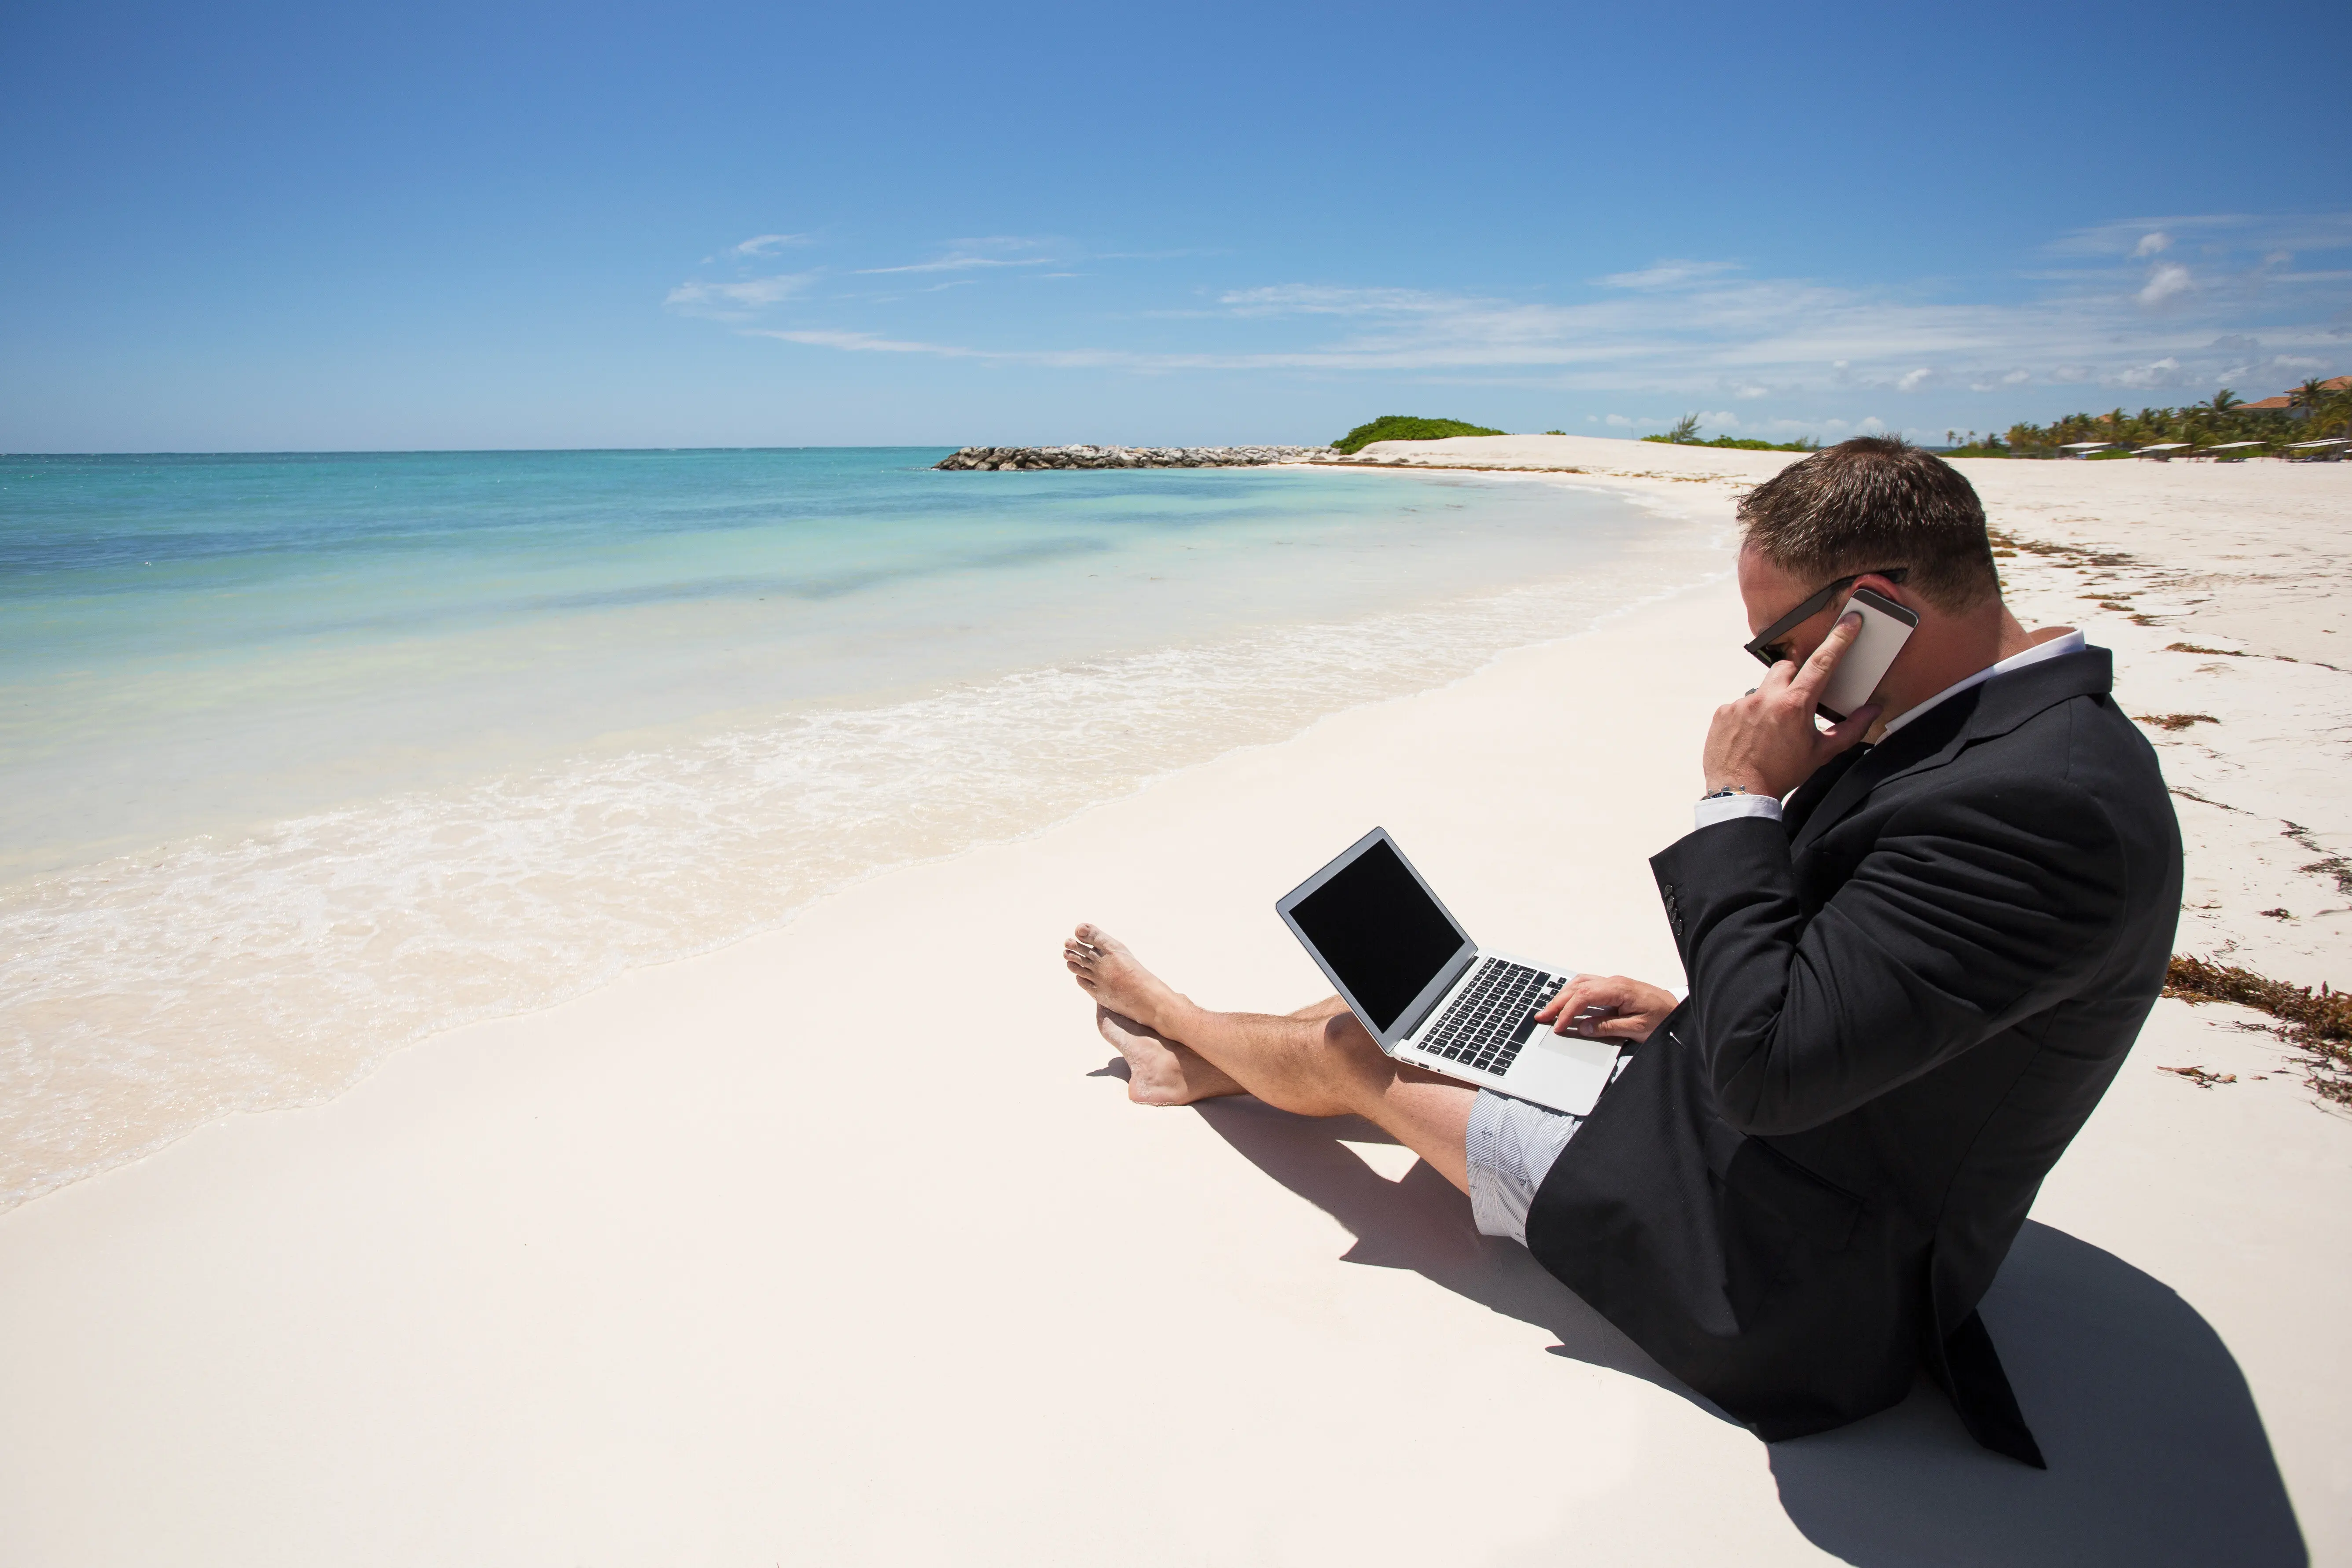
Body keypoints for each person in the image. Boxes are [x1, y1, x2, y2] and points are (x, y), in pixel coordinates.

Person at [1062, 437, 2181, 1465]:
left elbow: (1773, 1073)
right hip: (1782, 1134)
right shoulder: (2007, 731)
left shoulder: (2041, 804)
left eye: (1779, 646)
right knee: (1446, 1020)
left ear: (1872, 608)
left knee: (1361, 1045)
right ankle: (1215, 1060)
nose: (1769, 682)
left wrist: (1738, 800)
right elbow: (1896, 985)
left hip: (1775, 1269)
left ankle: (1171, 1032)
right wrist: (1682, 1016)